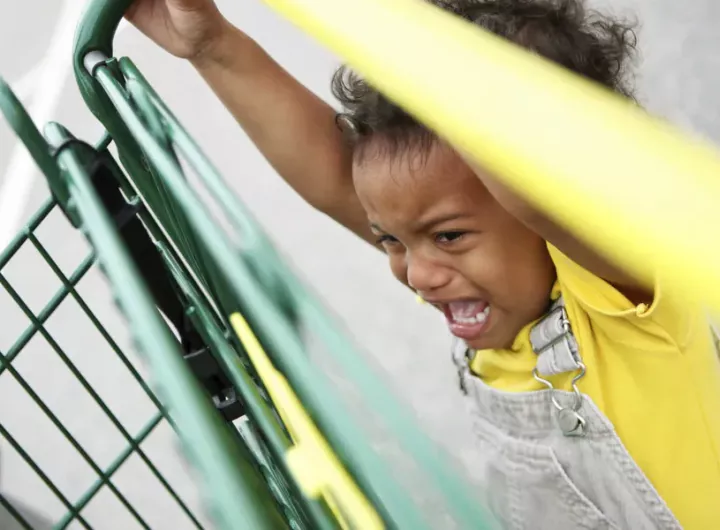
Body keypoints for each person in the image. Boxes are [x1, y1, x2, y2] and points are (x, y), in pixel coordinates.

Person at [126, 0, 720, 528]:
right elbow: (338, 179)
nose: (419, 274)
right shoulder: (489, 282)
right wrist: (213, 47)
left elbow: (536, 190)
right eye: (392, 242)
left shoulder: (619, 296)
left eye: (450, 235)